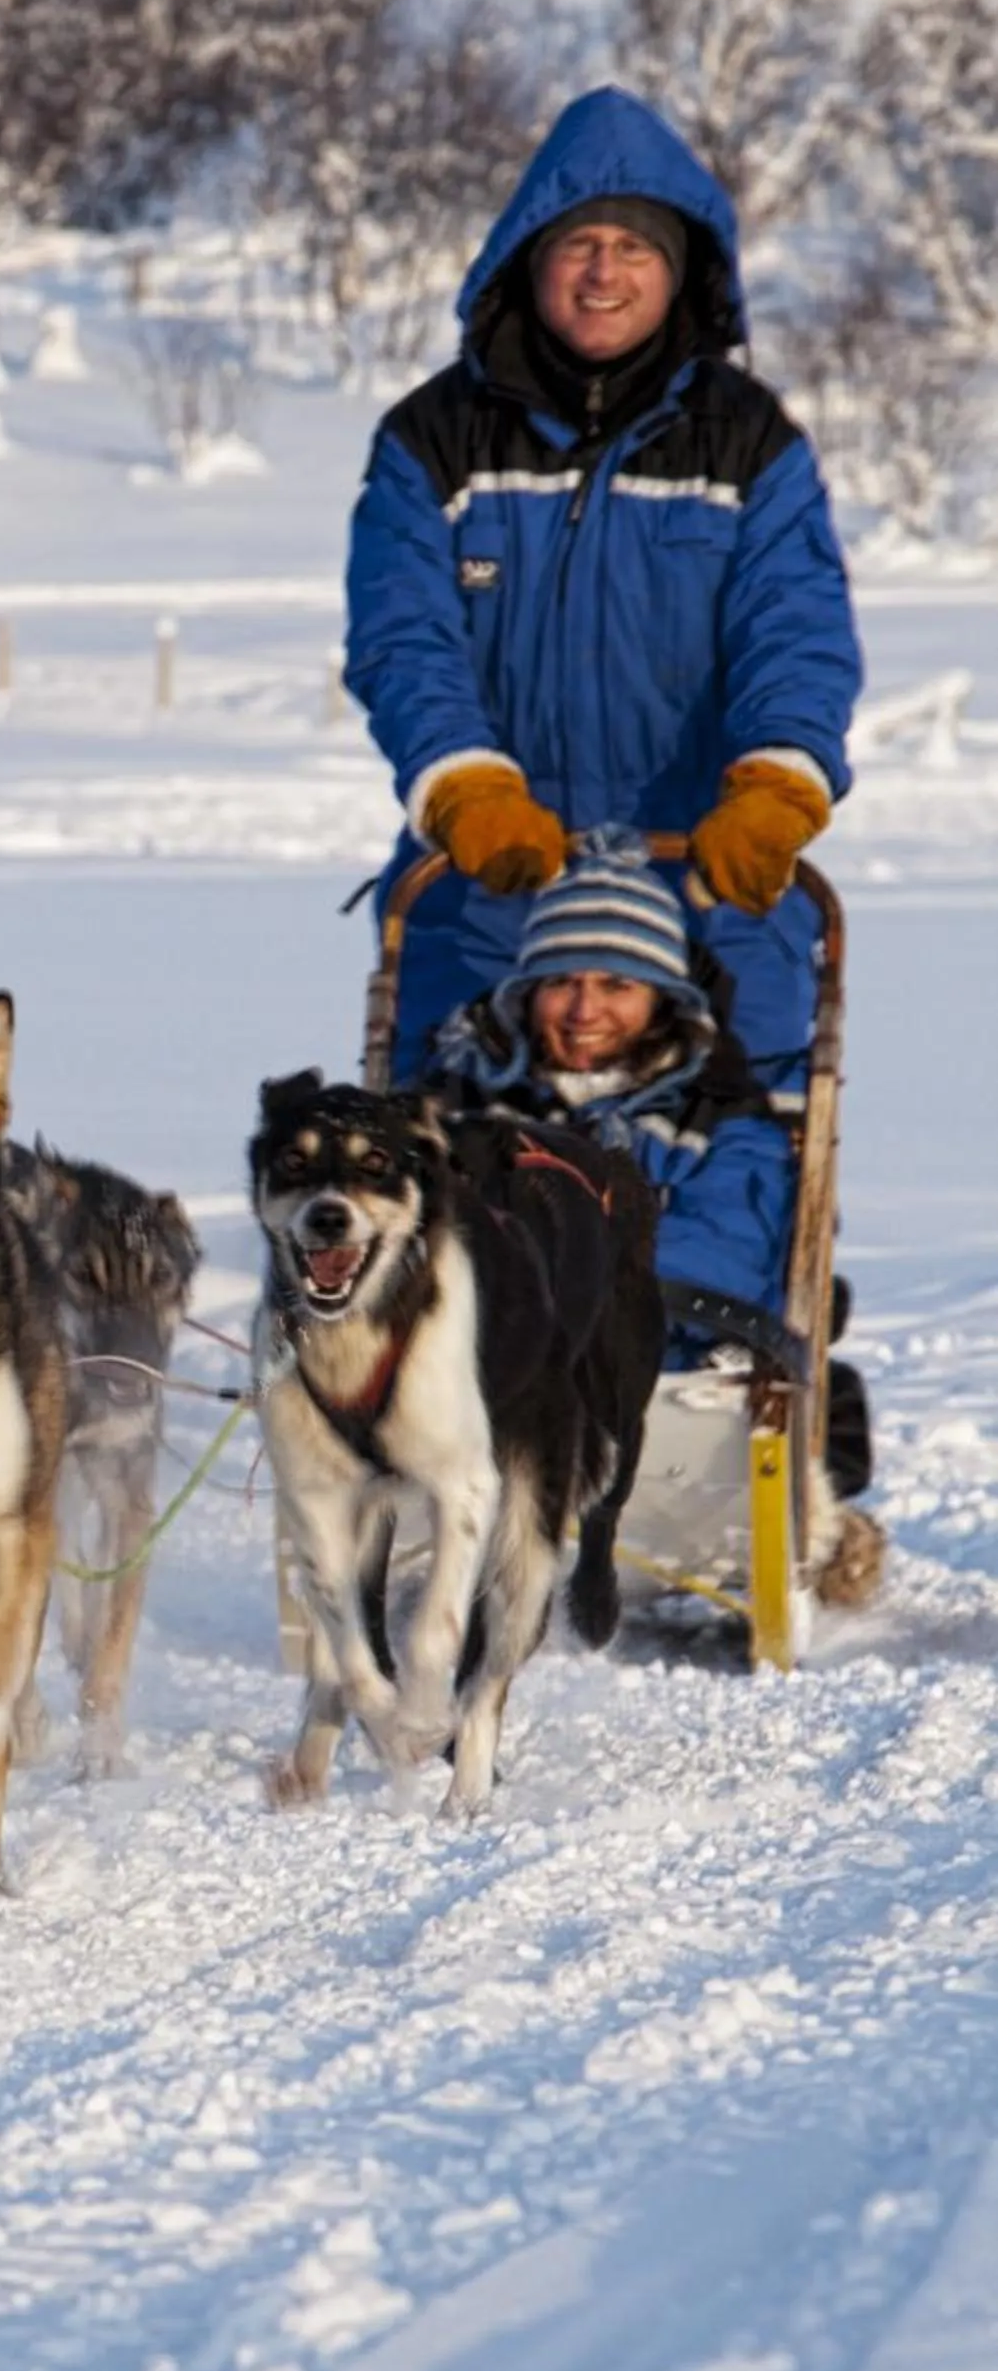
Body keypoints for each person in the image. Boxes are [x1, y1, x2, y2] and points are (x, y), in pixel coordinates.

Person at [345, 87, 862, 1098]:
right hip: (492, 858)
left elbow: (794, 629)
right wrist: (462, 785)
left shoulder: (746, 439)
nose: (603, 273)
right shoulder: (432, 438)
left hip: (706, 862)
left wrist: (777, 780)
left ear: (679, 273)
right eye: (579, 245)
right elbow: (402, 637)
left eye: (634, 250)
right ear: (529, 260)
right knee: (458, 1153)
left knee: (733, 1136)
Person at [426, 836, 881, 1598]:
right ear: (524, 994)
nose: (583, 1009)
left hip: (663, 1370)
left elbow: (726, 1251)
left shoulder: (728, 1128)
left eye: (616, 983)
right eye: (560, 981)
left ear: (663, 1000)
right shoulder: (464, 1116)